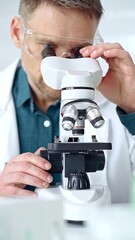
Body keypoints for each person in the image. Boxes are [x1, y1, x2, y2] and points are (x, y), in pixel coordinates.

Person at [0, 0, 135, 203]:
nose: (62, 63)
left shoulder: (115, 99)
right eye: (49, 48)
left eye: (78, 51)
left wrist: (132, 107)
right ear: (18, 33)